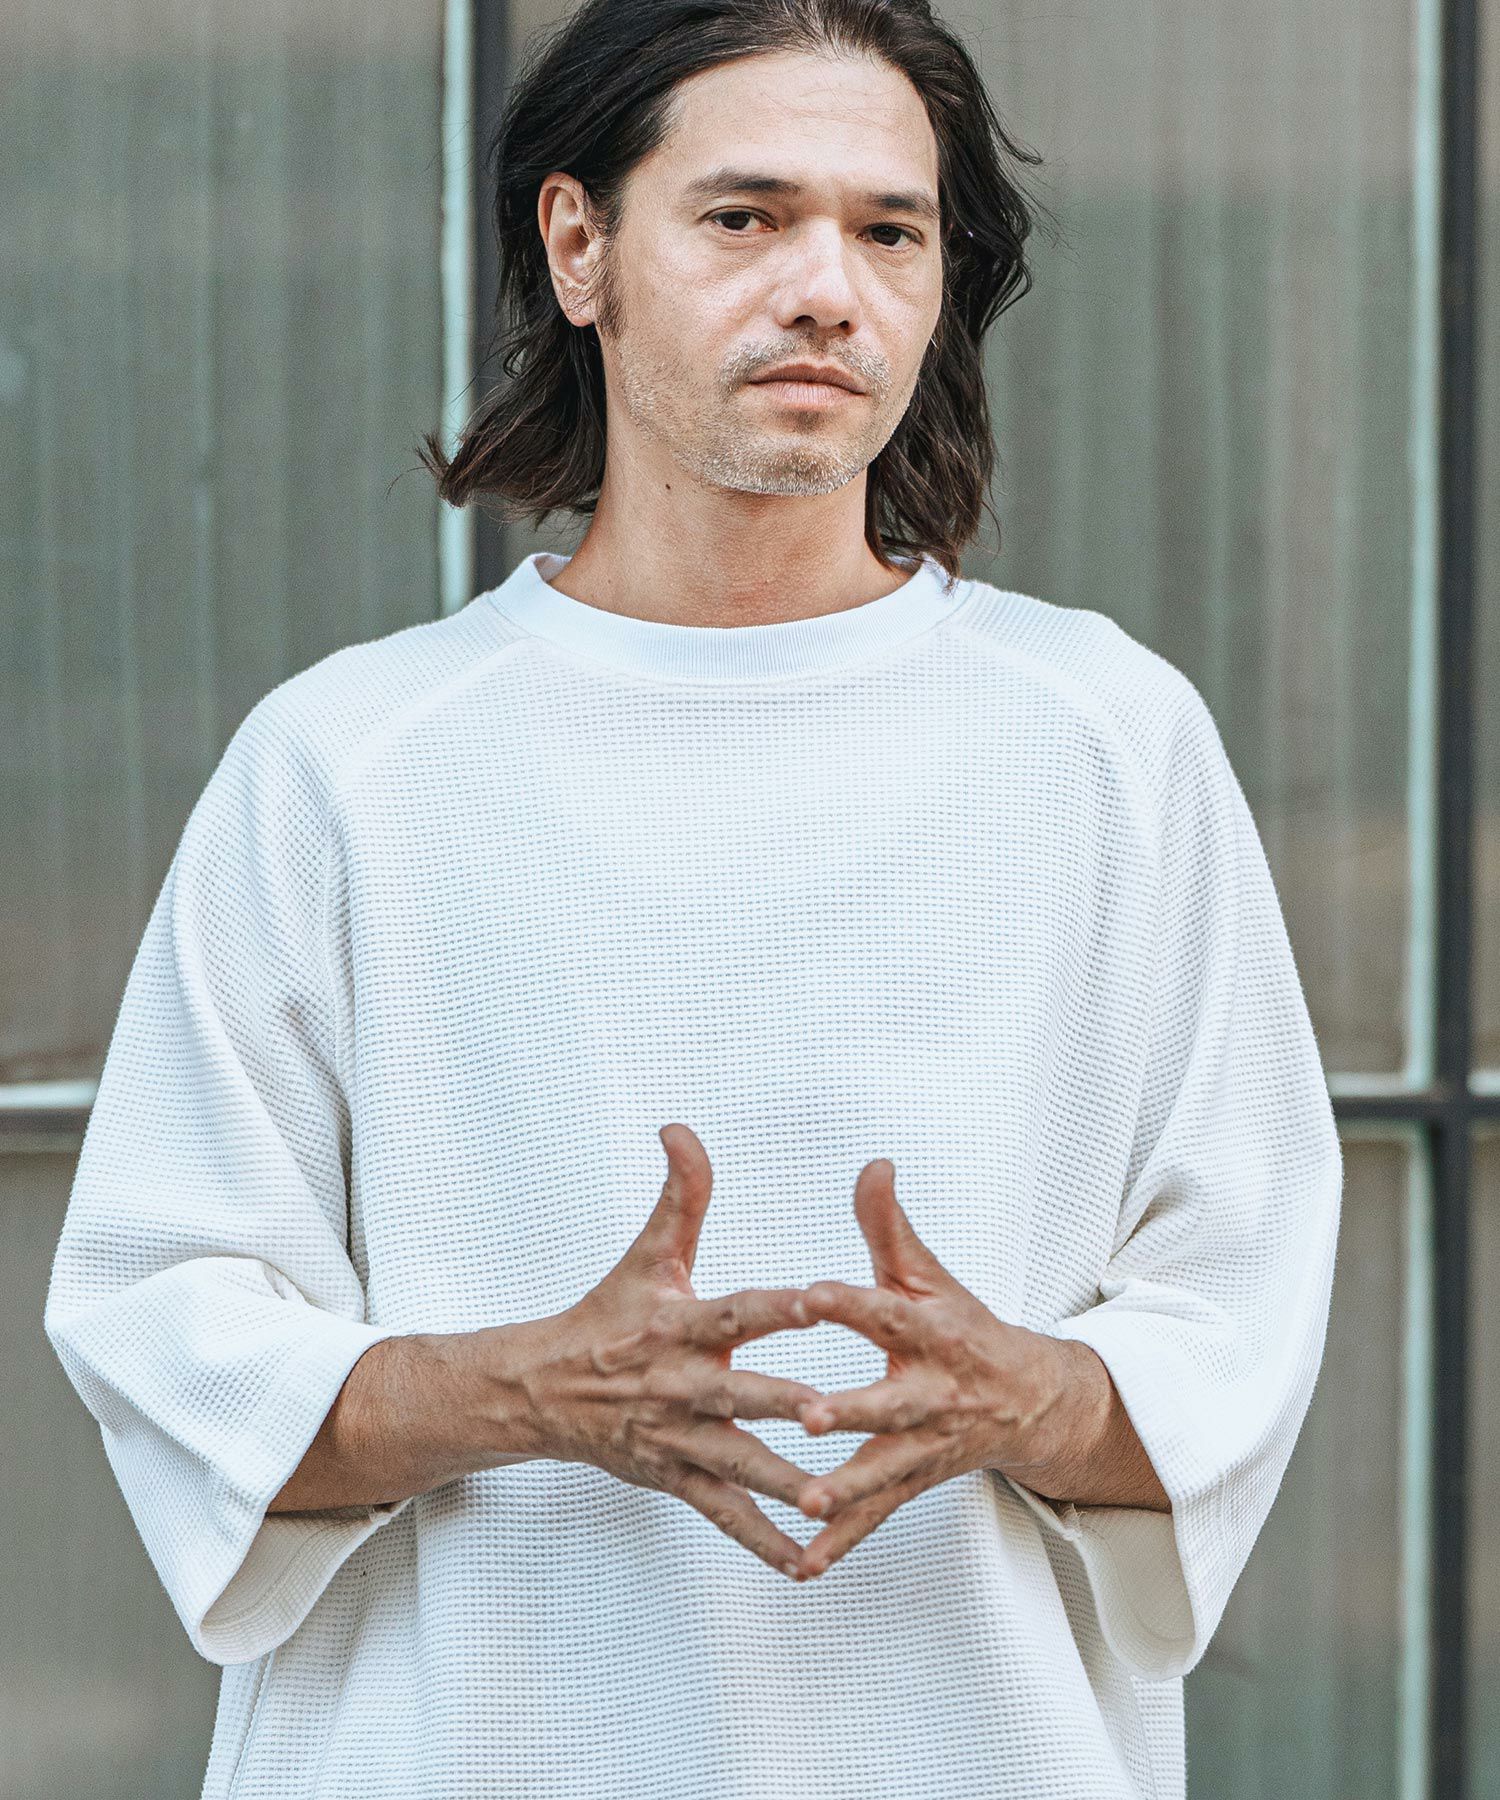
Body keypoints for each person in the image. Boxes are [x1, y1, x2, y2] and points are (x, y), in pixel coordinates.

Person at [43, 0, 1343, 1795]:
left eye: (890, 233)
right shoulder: (348, 762)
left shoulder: (1109, 740)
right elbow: (161, 1312)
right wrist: (520, 1391)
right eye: (747, 217)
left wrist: (1030, 1395)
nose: (830, 290)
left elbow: (1239, 1304)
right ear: (579, 246)